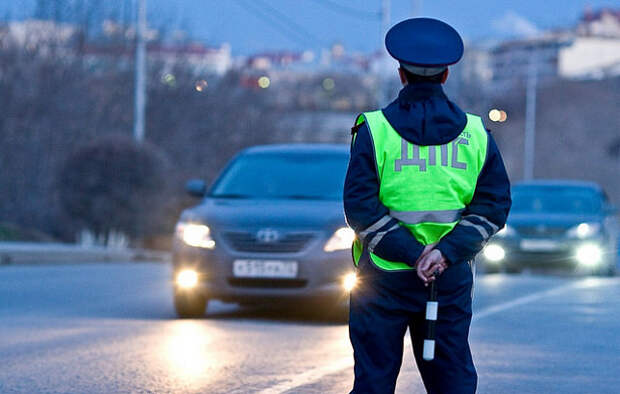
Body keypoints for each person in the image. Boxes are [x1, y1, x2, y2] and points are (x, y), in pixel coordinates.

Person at [344, 18, 512, 394]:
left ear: (400, 74)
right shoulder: (476, 133)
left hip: (381, 278)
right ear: (446, 75)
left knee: (373, 382)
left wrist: (411, 252)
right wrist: (443, 254)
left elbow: (359, 207)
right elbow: (493, 206)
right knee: (451, 382)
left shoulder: (373, 129)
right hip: (446, 279)